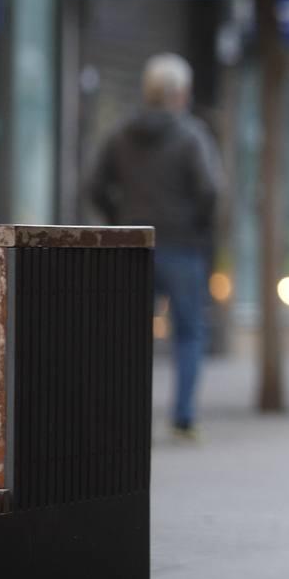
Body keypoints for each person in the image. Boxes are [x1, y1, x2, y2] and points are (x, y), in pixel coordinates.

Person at [88, 52, 223, 440]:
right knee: (189, 332)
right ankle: (182, 417)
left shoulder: (120, 134)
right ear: (179, 93)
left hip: (134, 246)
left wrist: (118, 221)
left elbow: (95, 186)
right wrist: (198, 224)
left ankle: (126, 416)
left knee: (131, 334)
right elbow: (210, 189)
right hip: (182, 244)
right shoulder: (191, 134)